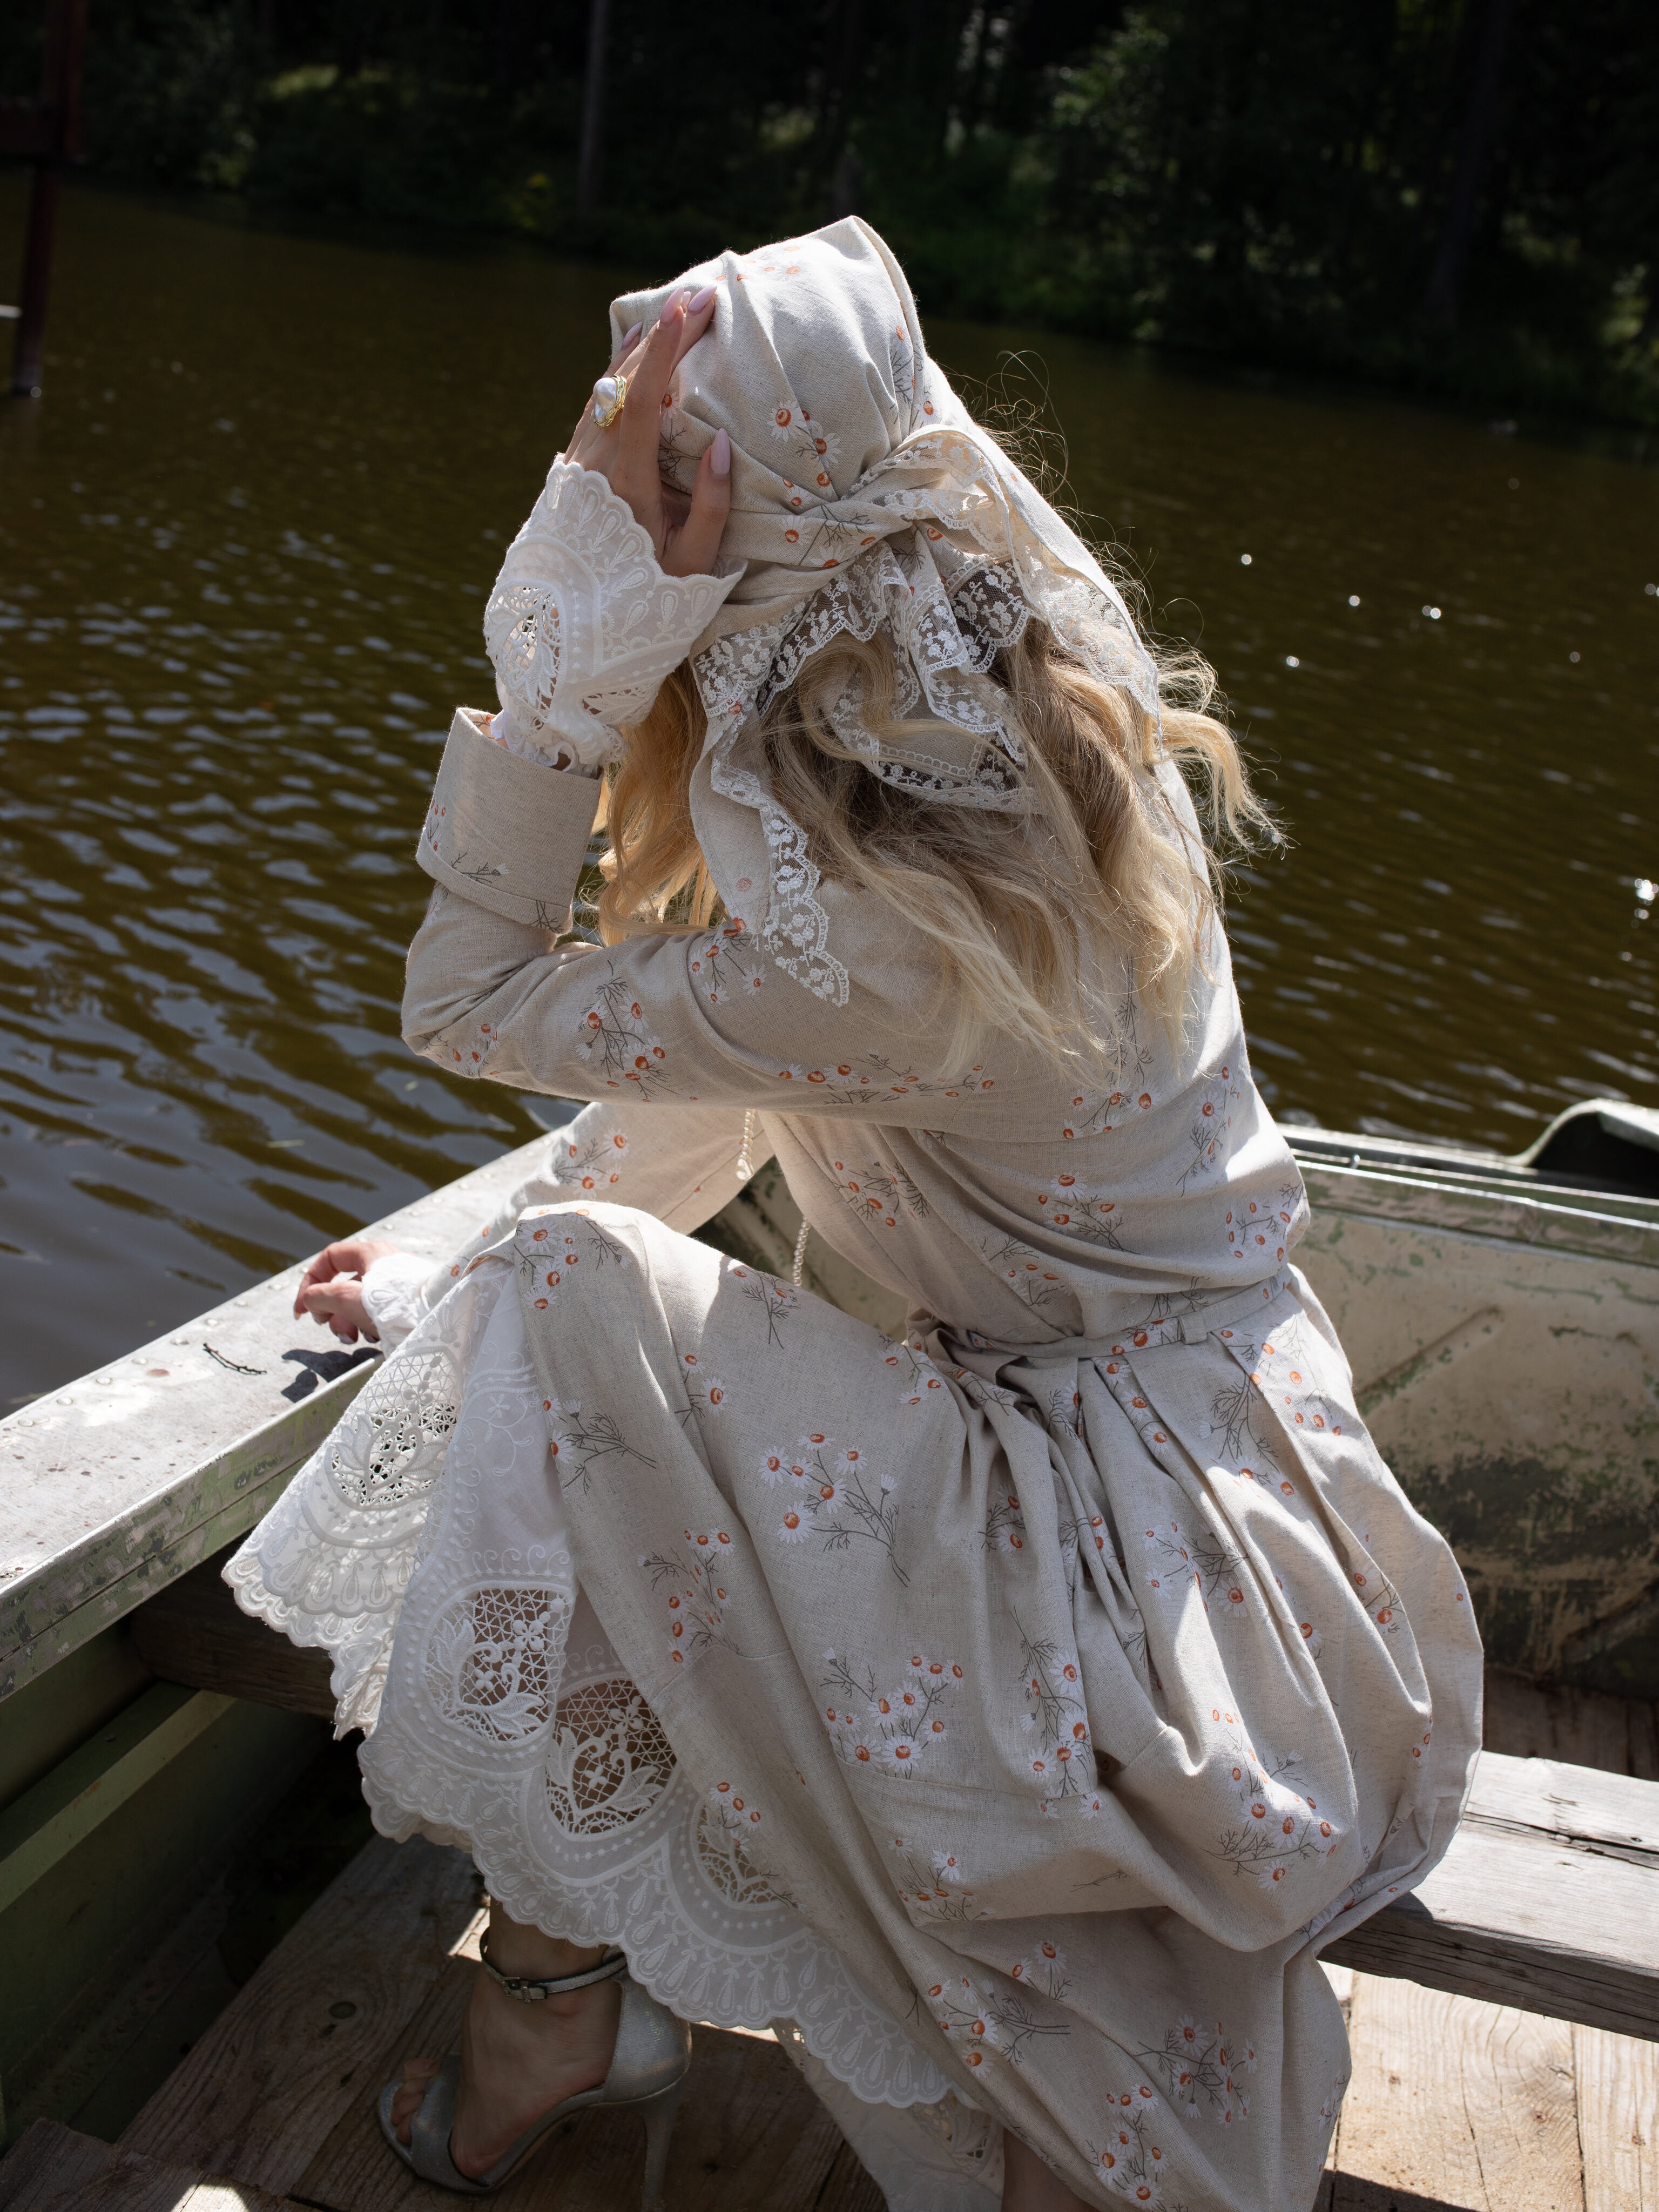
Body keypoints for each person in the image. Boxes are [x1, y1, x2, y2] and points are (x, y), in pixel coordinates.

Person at [230, 219, 1482, 2212]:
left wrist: (560, 672)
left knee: (561, 1311)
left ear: (723, 545)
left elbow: (464, 1002)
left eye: (624, 493)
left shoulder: (880, 919)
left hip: (1125, 1563)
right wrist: (449, 1273)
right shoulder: (1011, 694)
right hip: (1226, 1470)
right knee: (554, 1325)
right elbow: (739, 1083)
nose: (592, 505)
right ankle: (566, 1997)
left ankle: (551, 2005)